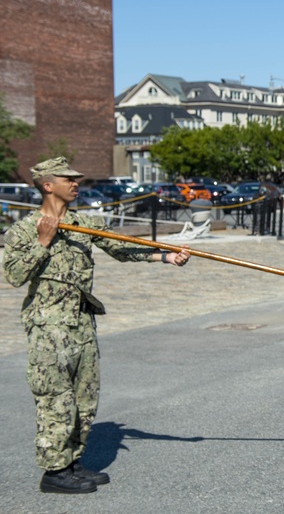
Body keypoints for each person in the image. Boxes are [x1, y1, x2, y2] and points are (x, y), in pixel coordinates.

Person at [3, 158, 192, 494]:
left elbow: (120, 247)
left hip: (81, 323)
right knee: (55, 399)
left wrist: (166, 256)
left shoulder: (83, 222)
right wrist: (42, 242)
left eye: (77, 179)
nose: (76, 183)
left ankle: (73, 461)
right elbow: (15, 275)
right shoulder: (24, 230)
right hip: (48, 328)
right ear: (48, 185)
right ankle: (54, 471)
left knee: (84, 398)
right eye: (68, 179)